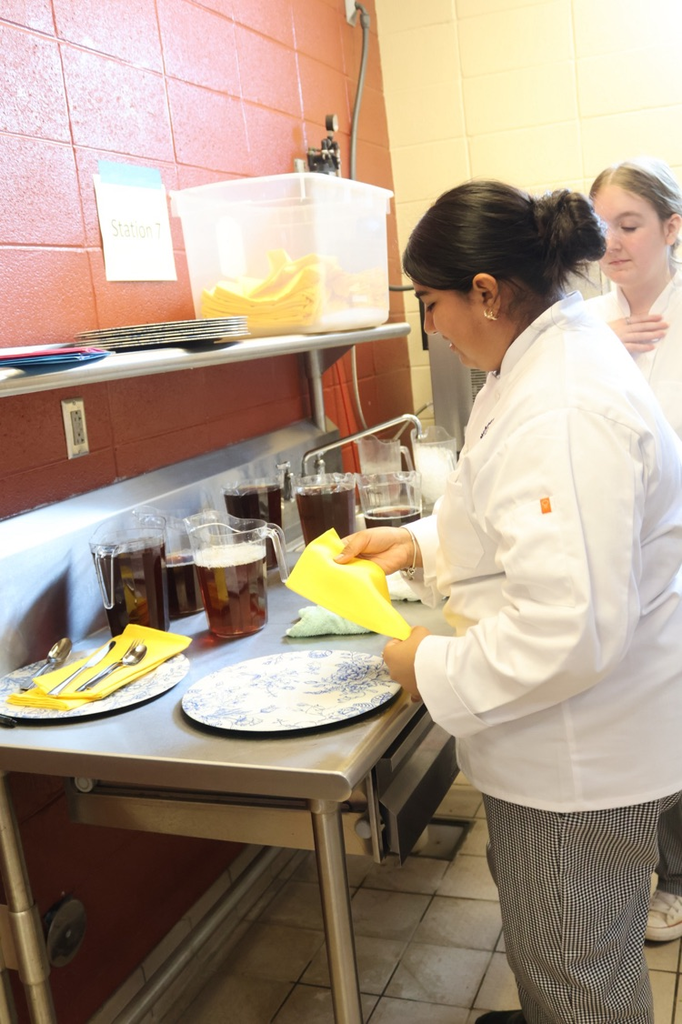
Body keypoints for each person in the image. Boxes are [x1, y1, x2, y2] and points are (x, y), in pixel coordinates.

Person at [335, 179, 682, 1024]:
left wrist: (430, 665)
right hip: (581, 735)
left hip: (578, 761)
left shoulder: (561, 401)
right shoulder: (545, 356)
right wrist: (419, 543)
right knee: (562, 961)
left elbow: (569, 628)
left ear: (485, 293)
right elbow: (522, 522)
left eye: (431, 302)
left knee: (579, 984)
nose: (429, 329)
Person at [587, 157, 682, 944]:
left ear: (672, 229)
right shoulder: (586, 322)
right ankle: (632, 871)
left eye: (631, 224)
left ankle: (677, 880)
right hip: (620, 558)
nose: (614, 244)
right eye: (602, 229)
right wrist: (598, 346)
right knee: (639, 715)